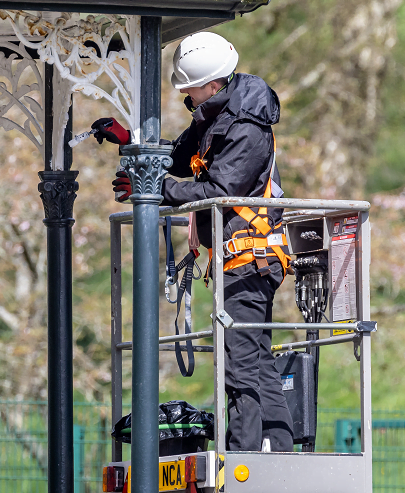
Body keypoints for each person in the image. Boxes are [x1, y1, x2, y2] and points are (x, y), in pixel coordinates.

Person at [93, 31, 293, 452]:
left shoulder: (246, 129)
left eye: (190, 87)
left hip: (251, 258)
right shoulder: (216, 117)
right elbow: (179, 157)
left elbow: (219, 190)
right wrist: (131, 140)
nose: (184, 92)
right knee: (254, 357)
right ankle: (277, 446)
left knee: (240, 365)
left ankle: (246, 458)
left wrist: (156, 189)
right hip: (238, 258)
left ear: (214, 84)